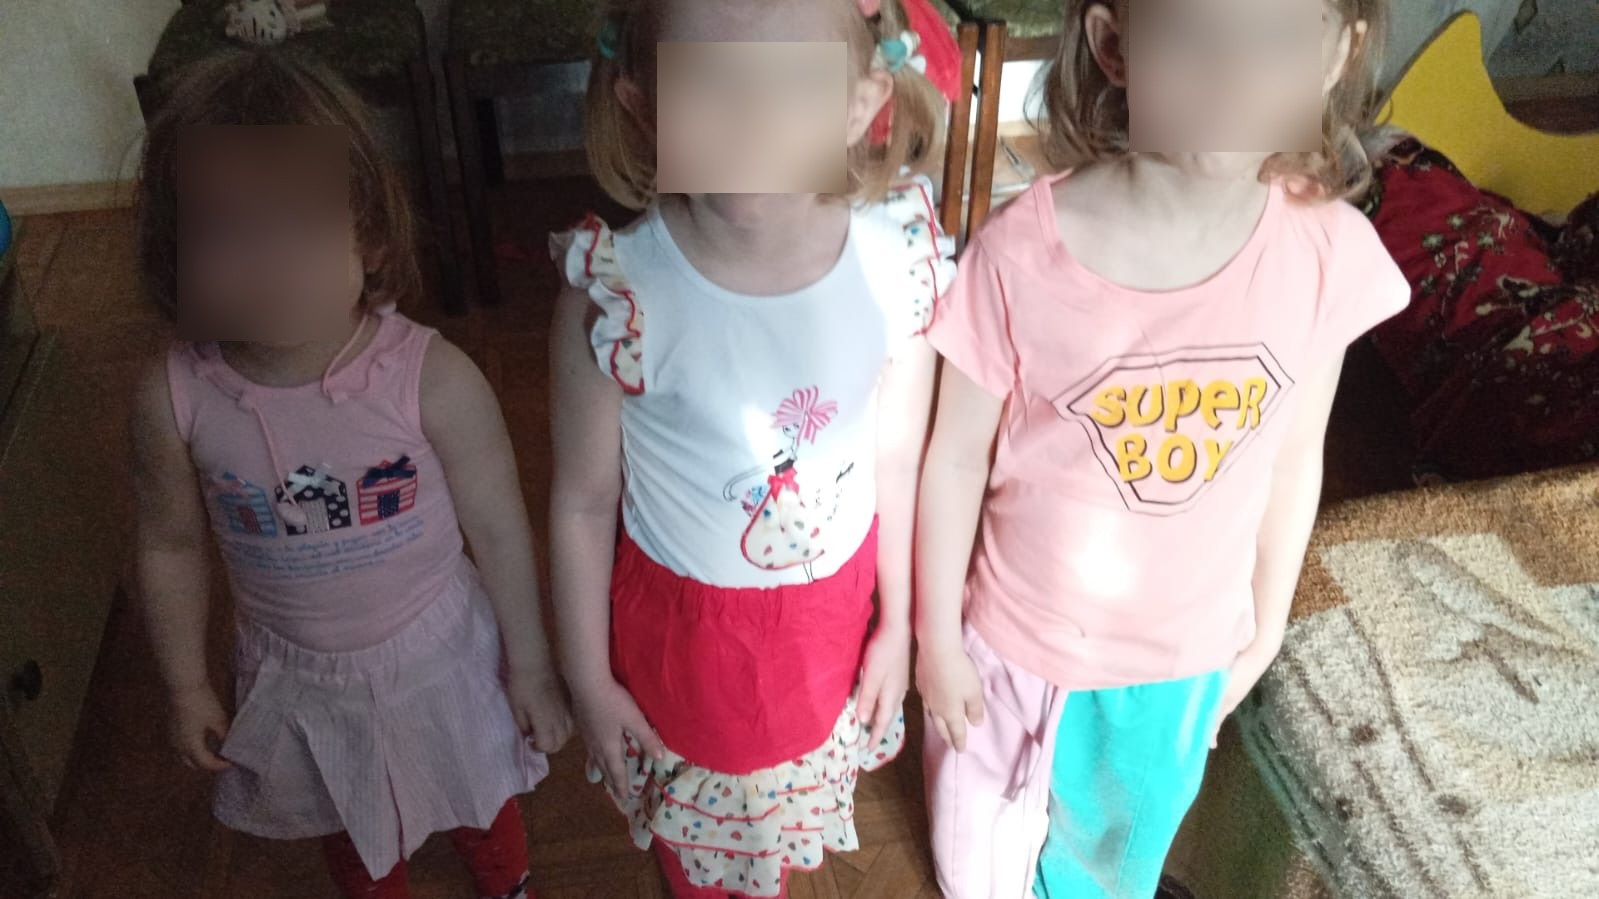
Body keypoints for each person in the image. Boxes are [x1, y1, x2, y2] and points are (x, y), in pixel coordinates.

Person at [914, 1, 1407, 896]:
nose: (1232, 77)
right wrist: (934, 637)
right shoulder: (1018, 254)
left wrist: (1263, 627)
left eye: (1276, 41)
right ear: (1114, 44)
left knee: (1104, 873)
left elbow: (1295, 456)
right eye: (1191, 36)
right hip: (1011, 650)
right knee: (973, 866)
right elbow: (951, 458)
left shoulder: (1324, 253)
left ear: (1336, 53)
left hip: (1178, 667)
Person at [131, 49, 571, 899]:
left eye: (299, 226)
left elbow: (498, 526)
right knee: (345, 810)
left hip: (439, 653)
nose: (268, 262)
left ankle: (506, 880)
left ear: (368, 239)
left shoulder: (433, 379)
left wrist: (531, 664)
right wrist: (185, 684)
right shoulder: (174, 398)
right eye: (226, 232)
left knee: (477, 786)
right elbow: (169, 546)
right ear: (174, 251)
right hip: (295, 672)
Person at [547, 1, 953, 895]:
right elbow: (581, 500)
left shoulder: (896, 264)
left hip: (829, 622)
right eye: (710, 88)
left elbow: (898, 463)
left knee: (782, 818)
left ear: (858, 103)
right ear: (644, 105)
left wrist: (898, 624)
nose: (750, 123)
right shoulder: (618, 293)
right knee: (694, 846)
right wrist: (586, 677)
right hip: (682, 644)